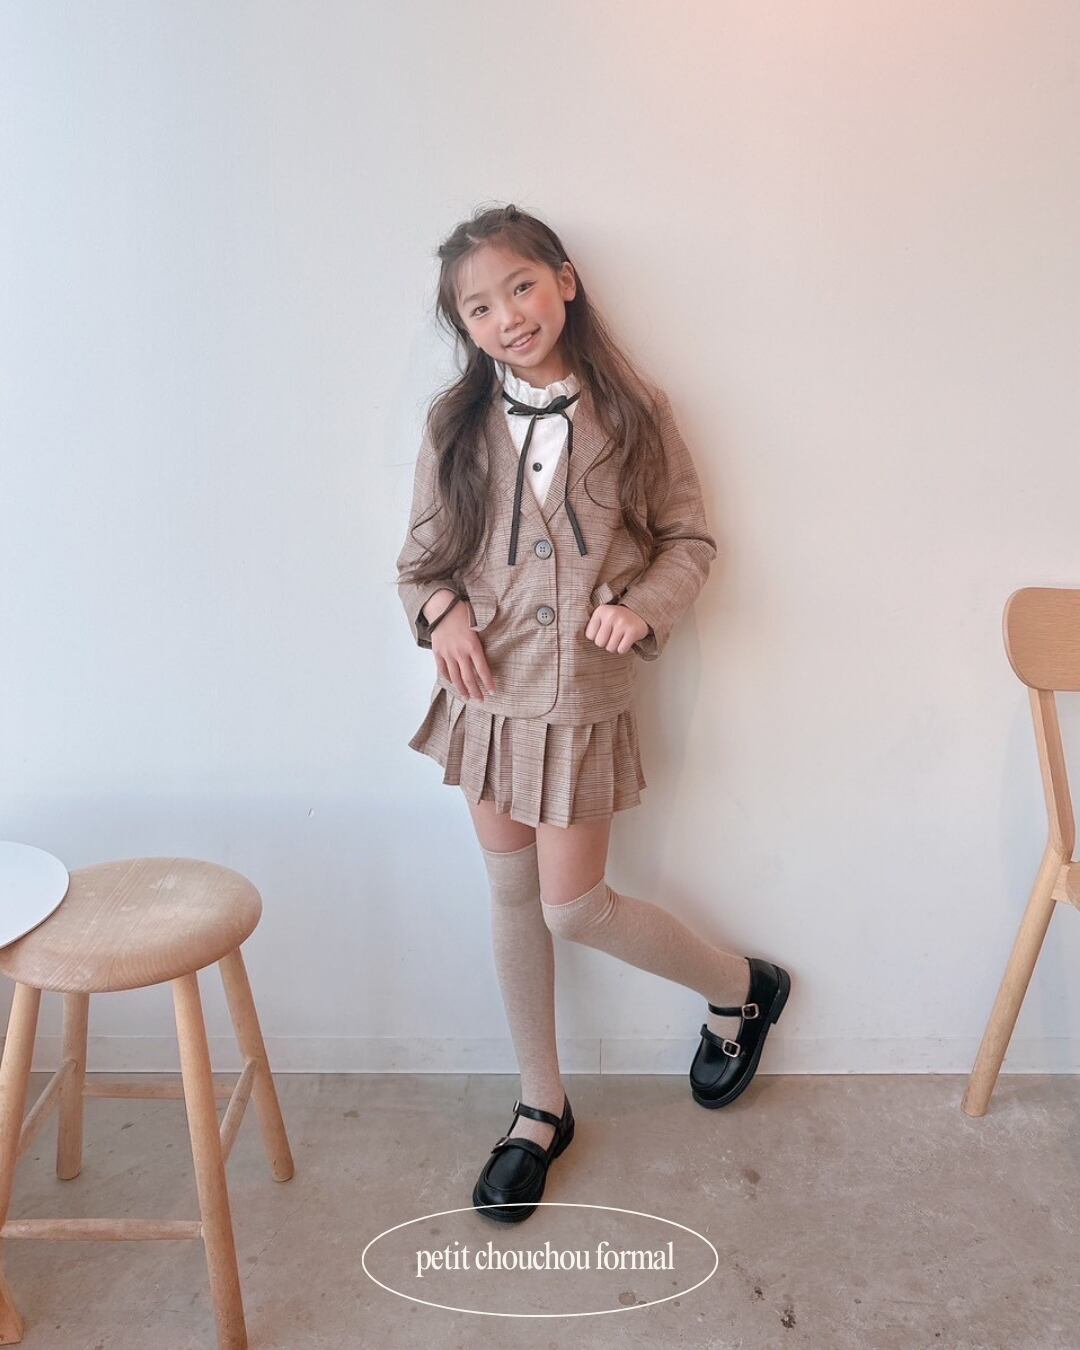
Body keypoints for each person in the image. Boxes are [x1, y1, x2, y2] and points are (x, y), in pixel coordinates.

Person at [395, 203, 791, 1225]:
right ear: (464, 326)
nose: (507, 317)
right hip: (485, 694)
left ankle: (741, 985)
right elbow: (421, 561)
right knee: (511, 897)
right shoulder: (453, 424)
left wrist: (641, 608)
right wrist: (440, 613)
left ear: (564, 281)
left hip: (582, 697)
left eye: (521, 287)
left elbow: (689, 541)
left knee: (574, 907)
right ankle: (541, 1106)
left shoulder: (636, 412)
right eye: (479, 308)